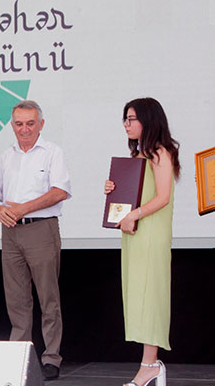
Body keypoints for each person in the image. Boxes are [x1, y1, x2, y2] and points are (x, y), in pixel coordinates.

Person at [0, 100, 71, 381]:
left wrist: (23, 208)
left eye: (30, 123)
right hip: (10, 232)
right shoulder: (6, 156)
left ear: (41, 124)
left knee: (48, 298)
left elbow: (59, 191)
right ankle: (19, 356)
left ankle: (51, 358)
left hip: (41, 230)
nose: (24, 129)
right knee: (16, 299)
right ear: (12, 126)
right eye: (19, 124)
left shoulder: (52, 152)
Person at [104, 97, 179, 386]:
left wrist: (133, 213)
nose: (126, 124)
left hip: (151, 234)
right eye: (125, 119)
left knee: (150, 295)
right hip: (134, 234)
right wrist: (113, 190)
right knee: (138, 294)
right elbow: (131, 196)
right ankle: (150, 365)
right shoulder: (137, 158)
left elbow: (163, 197)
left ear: (148, 120)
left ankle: (150, 365)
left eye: (131, 118)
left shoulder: (160, 153)